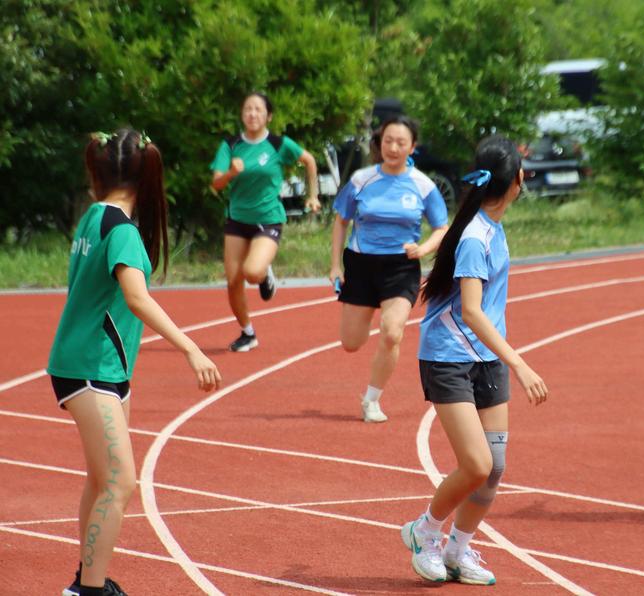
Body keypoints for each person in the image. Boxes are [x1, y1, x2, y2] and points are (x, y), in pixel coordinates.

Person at [49, 129, 221, 596]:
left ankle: (86, 579)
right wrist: (191, 348)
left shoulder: (93, 216)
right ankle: (88, 589)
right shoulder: (121, 230)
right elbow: (137, 297)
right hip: (91, 367)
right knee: (121, 482)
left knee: (101, 479)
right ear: (147, 177)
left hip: (99, 366)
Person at [400, 135, 548, 584]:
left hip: (485, 358)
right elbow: (471, 311)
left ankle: (457, 549)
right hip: (449, 358)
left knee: (494, 469)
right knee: (477, 465)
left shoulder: (492, 228)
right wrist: (519, 363)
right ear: (517, 179)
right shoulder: (474, 237)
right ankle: (425, 530)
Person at [329, 115, 448, 423]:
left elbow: (441, 228)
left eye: (401, 142)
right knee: (351, 343)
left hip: (401, 266)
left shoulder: (422, 185)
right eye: (388, 141)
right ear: (379, 143)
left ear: (412, 147)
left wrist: (423, 249)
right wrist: (335, 266)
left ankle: (371, 400)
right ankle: (366, 312)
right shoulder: (362, 179)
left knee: (392, 332)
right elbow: (341, 221)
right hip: (361, 264)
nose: (393, 148)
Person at [210, 92, 321, 352]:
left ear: (268, 116)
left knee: (252, 272)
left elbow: (309, 160)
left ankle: (264, 274)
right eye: (247, 109)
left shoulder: (278, 144)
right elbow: (216, 183)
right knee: (233, 281)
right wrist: (230, 173)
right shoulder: (230, 145)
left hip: (268, 219)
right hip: (237, 219)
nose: (252, 114)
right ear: (242, 114)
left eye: (258, 109)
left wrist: (313, 195)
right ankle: (247, 333)